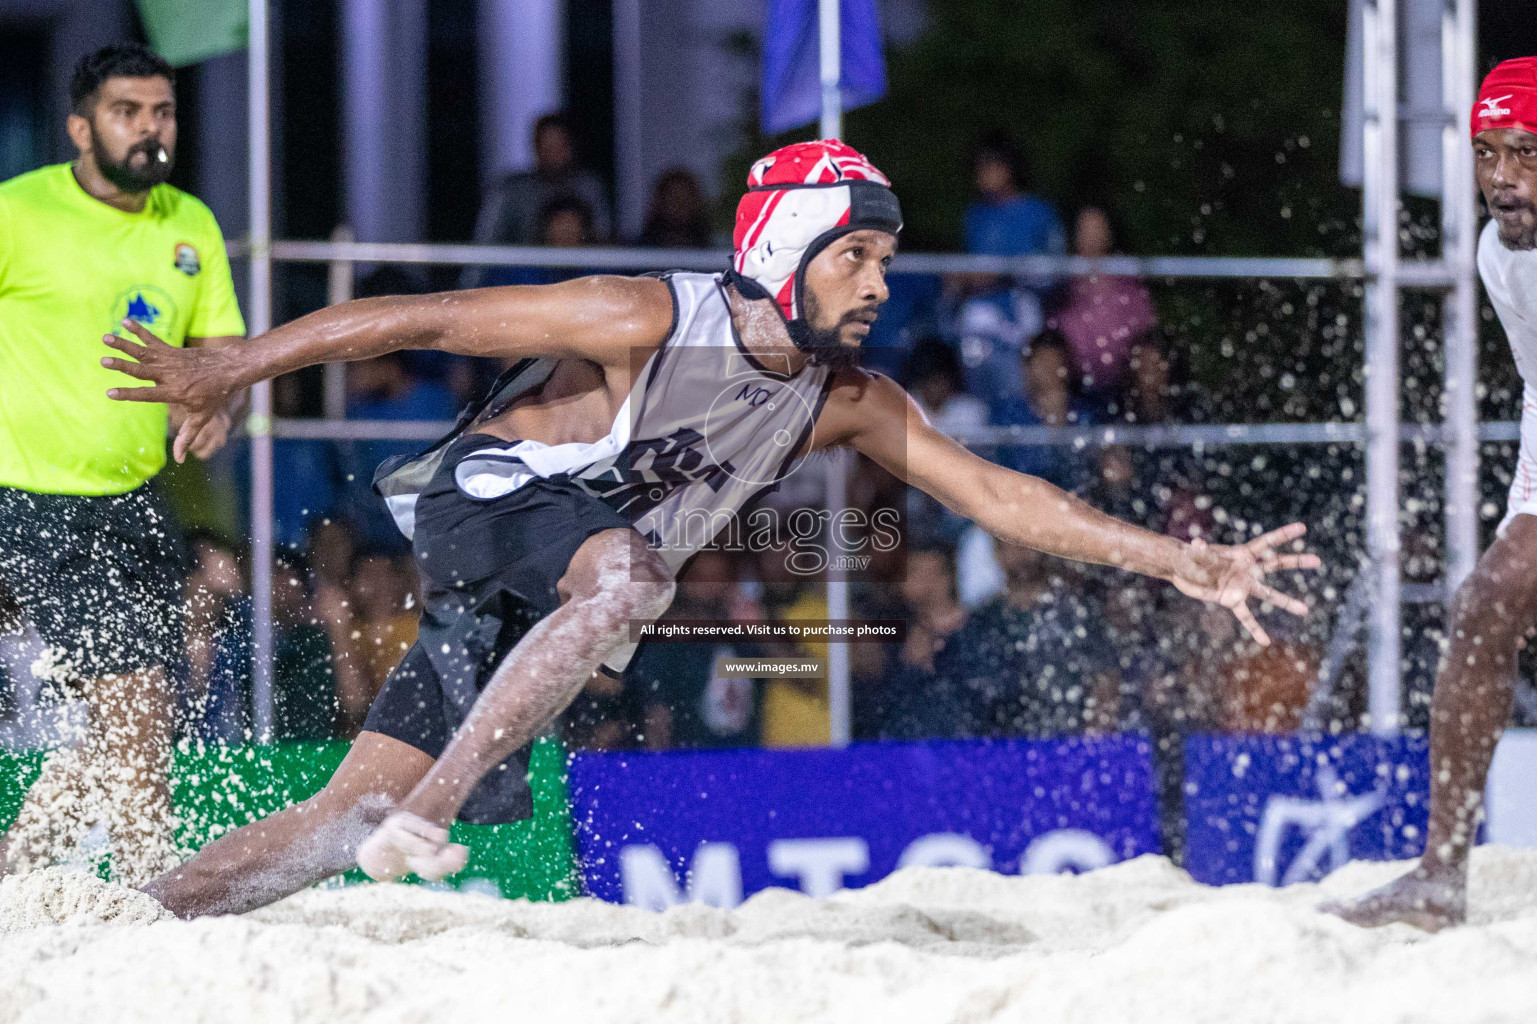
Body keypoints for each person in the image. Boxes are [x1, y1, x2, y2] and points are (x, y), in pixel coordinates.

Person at [99, 139, 1317, 917]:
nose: (882, 283)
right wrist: (243, 363)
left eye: (886, 259)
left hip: (554, 591)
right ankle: (437, 813)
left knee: (340, 820)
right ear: (786, 253)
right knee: (626, 581)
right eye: (859, 257)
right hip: (490, 507)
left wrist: (1182, 560)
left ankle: (146, 914)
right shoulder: (641, 312)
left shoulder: (849, 400)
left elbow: (1002, 497)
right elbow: (423, 315)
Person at [0, 44, 246, 885]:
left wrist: (221, 401)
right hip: (29, 494)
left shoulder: (191, 224)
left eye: (163, 112)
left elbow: (223, 354)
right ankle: (152, 887)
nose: (150, 129)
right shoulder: (16, 211)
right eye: (127, 112)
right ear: (80, 127)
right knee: (137, 703)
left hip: (137, 500)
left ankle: (15, 879)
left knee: (134, 719)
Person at [1325, 57, 1537, 931]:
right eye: (1487, 154)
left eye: (1524, 153)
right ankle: (1440, 877)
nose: (1501, 178)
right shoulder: (1499, 254)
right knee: (1485, 603)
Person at [937, 541, 1119, 738]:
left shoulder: (1077, 612)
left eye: (1026, 545)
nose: (1021, 553)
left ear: (1043, 551)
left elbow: (1106, 677)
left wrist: (1093, 742)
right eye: (1011, 546)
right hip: (998, 744)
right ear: (998, 555)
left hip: (1066, 739)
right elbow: (963, 690)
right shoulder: (982, 619)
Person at [460, 112, 611, 288]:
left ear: (571, 147)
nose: (553, 155)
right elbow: (485, 247)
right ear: (535, 148)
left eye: (559, 146)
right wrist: (467, 292)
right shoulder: (510, 190)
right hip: (521, 284)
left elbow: (604, 242)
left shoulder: (589, 187)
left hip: (580, 283)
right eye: (547, 146)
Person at [1046, 205, 1158, 413]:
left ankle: (1157, 435)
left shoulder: (1128, 280)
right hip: (1074, 381)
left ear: (1109, 233)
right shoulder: (1062, 282)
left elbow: (1145, 330)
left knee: (1150, 363)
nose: (1091, 237)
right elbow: (1052, 332)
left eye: (1097, 229)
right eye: (1085, 230)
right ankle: (1055, 440)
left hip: (1123, 380)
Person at [636, 168, 713, 249]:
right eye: (673, 198)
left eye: (685, 198)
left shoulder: (707, 249)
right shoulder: (640, 251)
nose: (679, 205)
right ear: (660, 201)